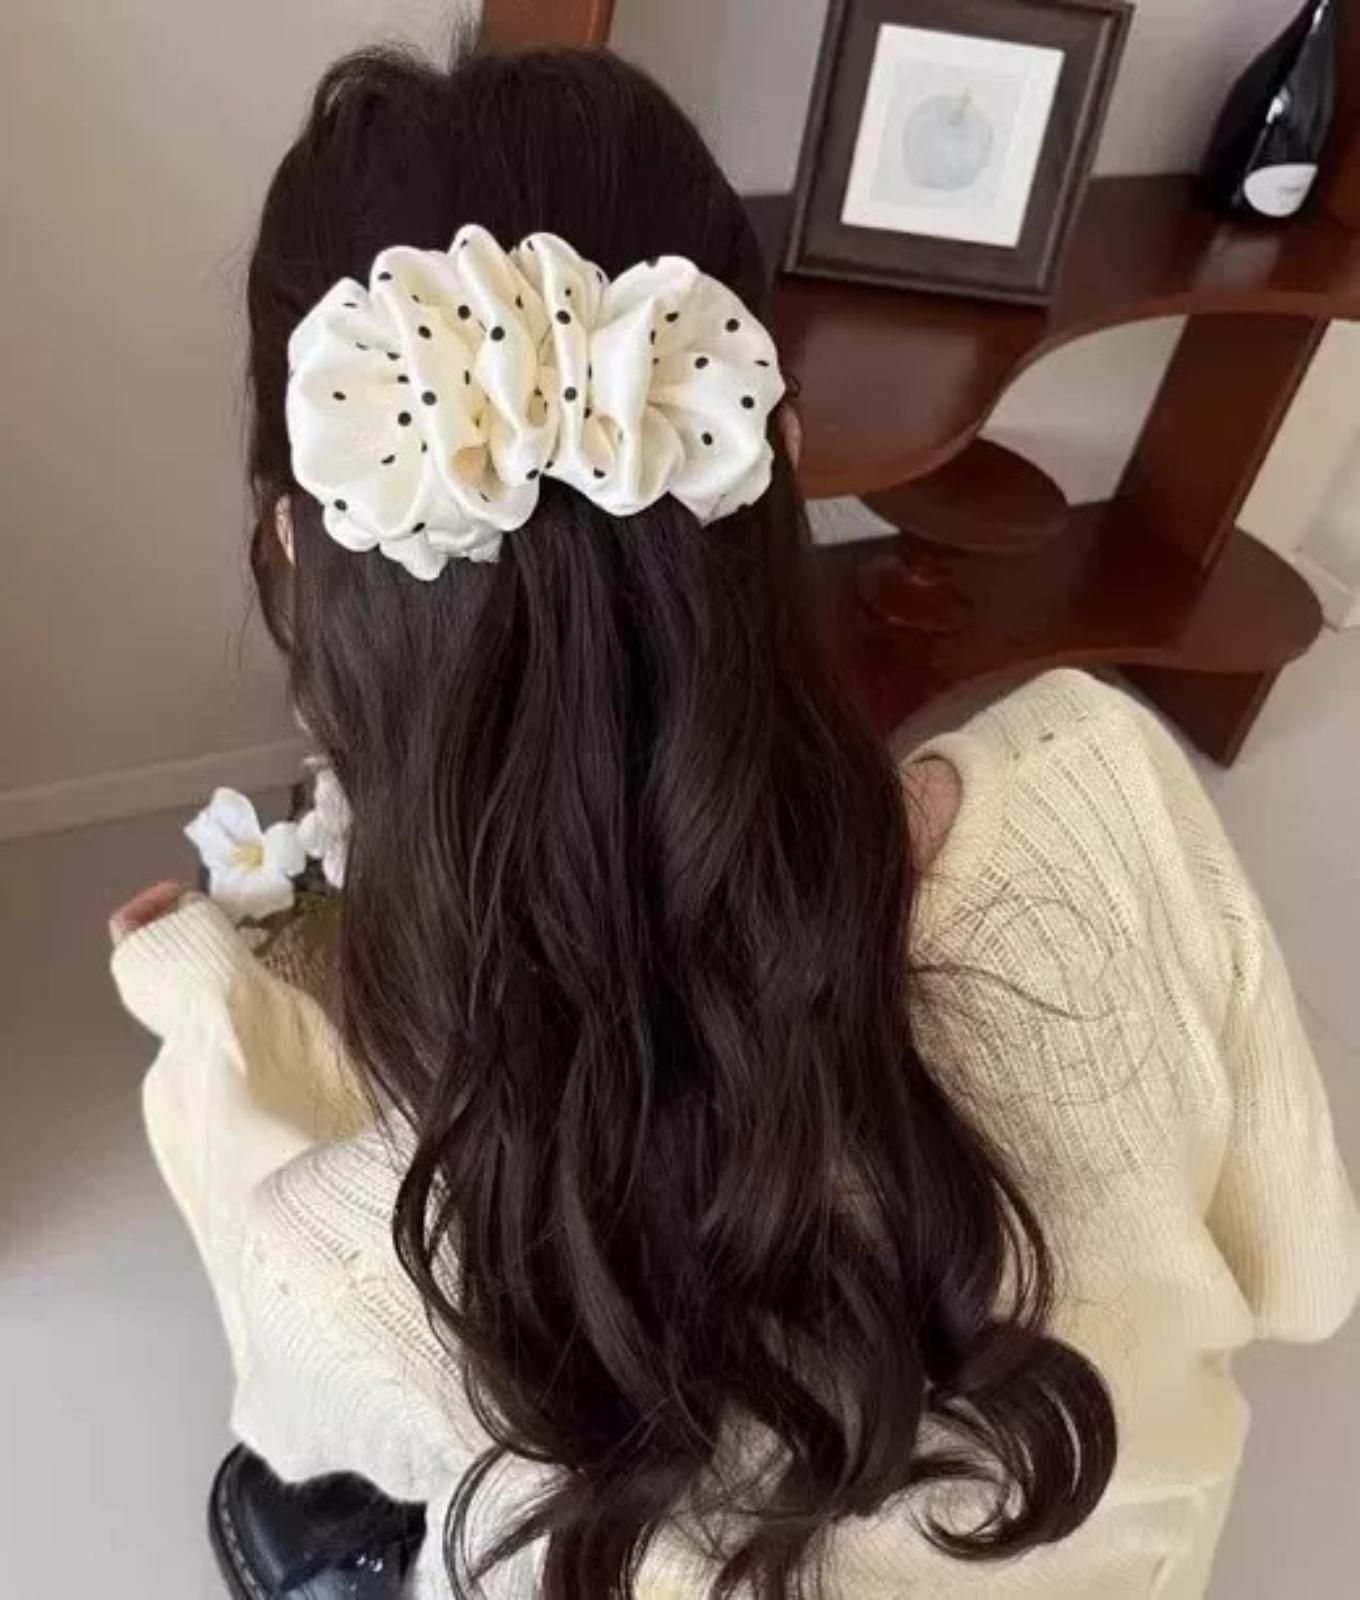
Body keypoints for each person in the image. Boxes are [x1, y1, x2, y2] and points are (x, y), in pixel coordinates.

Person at [110, 44, 1359, 1600]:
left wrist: (205, 1008)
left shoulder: (346, 1236)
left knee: (327, 1508)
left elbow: (300, 1423)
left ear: (300, 542)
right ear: (770, 448)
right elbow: (1308, 1274)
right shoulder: (1112, 786)